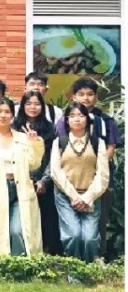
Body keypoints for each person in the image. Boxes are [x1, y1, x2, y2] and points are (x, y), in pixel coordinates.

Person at [54, 76, 123, 257]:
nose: (86, 98)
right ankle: (73, 260)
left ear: (96, 97)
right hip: (69, 183)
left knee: (97, 226)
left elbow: (110, 149)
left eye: (90, 94)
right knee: (72, 230)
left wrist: (97, 172)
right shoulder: (64, 120)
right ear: (74, 96)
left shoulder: (106, 121)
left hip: (99, 181)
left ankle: (96, 258)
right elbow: (60, 150)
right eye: (81, 94)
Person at [0, 97, 44, 257]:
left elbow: (33, 164)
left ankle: (19, 266)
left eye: (7, 112)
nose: (3, 115)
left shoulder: (22, 138)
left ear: (12, 115)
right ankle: (1, 267)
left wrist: (35, 144)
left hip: (20, 190)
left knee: (18, 231)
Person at [50, 102, 110, 262]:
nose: (77, 119)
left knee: (89, 238)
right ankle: (74, 269)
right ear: (67, 120)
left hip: (92, 196)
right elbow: (56, 172)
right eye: (72, 116)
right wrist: (74, 196)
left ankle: (88, 268)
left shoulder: (98, 143)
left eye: (81, 115)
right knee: (73, 235)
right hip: (65, 196)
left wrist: (87, 198)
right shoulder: (59, 142)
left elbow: (103, 174)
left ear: (87, 119)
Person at [13, 89, 60, 255]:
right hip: (21, 180)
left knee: (46, 218)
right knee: (22, 220)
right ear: (22, 106)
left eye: (37, 104)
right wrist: (27, 179)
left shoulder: (49, 128)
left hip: (44, 181)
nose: (33, 107)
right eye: (28, 103)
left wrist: (44, 181)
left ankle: (46, 253)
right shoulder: (14, 127)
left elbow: (53, 157)